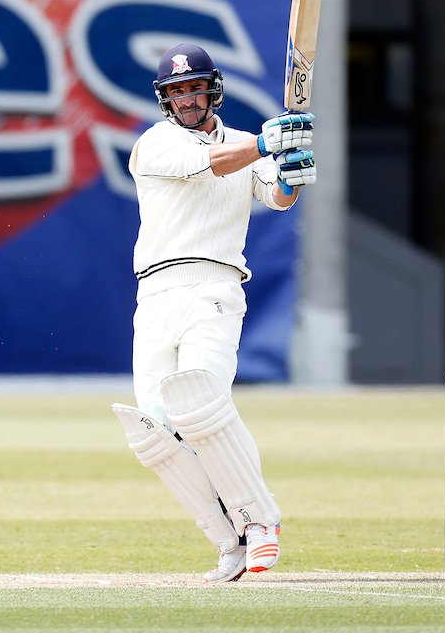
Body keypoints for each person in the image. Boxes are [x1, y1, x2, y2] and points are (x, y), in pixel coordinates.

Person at [110, 43, 316, 584]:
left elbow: (275, 196)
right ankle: (228, 542)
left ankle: (260, 520)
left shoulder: (241, 144)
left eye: (194, 88)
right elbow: (214, 163)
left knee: (201, 407)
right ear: (165, 99)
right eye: (176, 91)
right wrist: (270, 142)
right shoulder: (155, 144)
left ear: (211, 90)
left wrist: (290, 173)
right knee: (155, 431)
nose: (186, 99)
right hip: (155, 293)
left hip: (215, 287)